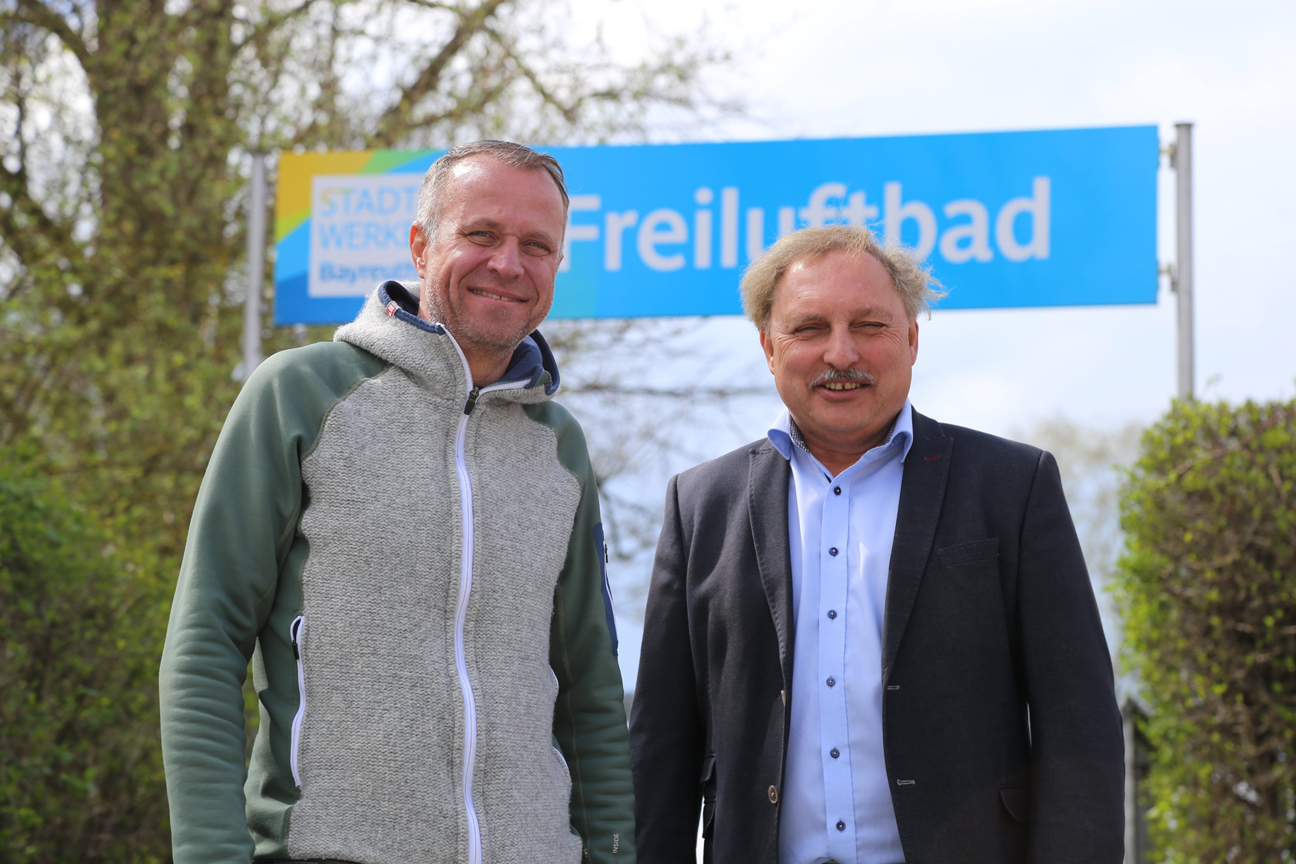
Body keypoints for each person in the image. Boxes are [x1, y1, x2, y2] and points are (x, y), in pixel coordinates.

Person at [160, 140, 634, 864]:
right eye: (481, 235)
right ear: (421, 245)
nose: (508, 264)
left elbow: (590, 689)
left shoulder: (557, 443)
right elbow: (206, 642)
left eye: (536, 245)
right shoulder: (299, 394)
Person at [629, 225, 1123, 864]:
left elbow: (1078, 727)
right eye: (808, 329)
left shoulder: (1014, 487)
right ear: (769, 348)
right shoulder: (701, 506)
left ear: (913, 339)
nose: (840, 353)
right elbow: (660, 749)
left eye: (869, 325)